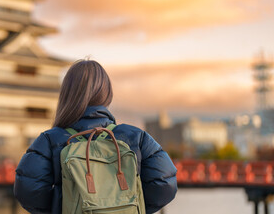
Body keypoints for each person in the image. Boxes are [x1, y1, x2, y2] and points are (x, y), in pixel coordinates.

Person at [14, 60, 177, 214]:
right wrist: (130, 207)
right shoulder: (136, 137)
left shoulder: (50, 140)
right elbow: (165, 183)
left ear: (67, 95)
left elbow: (28, 190)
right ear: (107, 94)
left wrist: (60, 207)